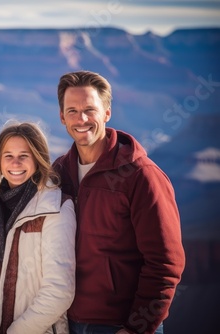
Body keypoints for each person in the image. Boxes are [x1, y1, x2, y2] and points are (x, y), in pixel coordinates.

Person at [52, 70, 186, 334]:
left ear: (107, 113)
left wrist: (137, 327)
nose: (82, 119)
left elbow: (165, 262)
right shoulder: (59, 172)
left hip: (120, 324)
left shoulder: (140, 175)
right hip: (67, 321)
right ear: (62, 117)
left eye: (90, 109)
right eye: (72, 111)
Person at [0, 122, 76, 334]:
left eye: (24, 156)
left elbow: (59, 291)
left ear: (38, 158)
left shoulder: (56, 208)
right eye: (8, 155)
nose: (15, 163)